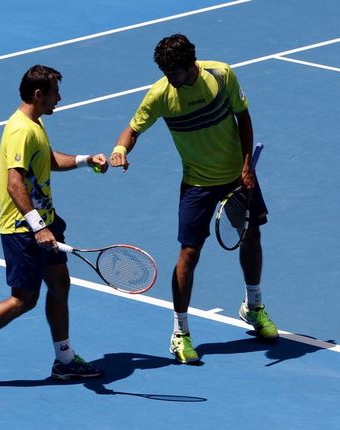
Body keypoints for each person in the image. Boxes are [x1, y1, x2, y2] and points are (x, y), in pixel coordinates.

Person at [109, 34, 278, 364]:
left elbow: (243, 116)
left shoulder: (221, 75)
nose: (170, 79)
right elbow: (132, 130)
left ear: (191, 64)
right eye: (165, 73)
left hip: (236, 175)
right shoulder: (161, 95)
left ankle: (254, 306)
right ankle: (180, 333)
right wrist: (120, 150)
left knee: (251, 236)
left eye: (174, 72)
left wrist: (246, 166)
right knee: (188, 253)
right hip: (197, 184)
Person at [0, 65, 109, 387]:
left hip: (45, 221)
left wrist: (86, 160)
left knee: (59, 285)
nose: (60, 98)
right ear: (38, 94)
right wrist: (37, 227)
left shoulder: (35, 124)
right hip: (23, 229)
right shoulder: (20, 130)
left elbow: (46, 159)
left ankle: (65, 360)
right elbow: (14, 182)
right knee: (23, 299)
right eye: (55, 93)